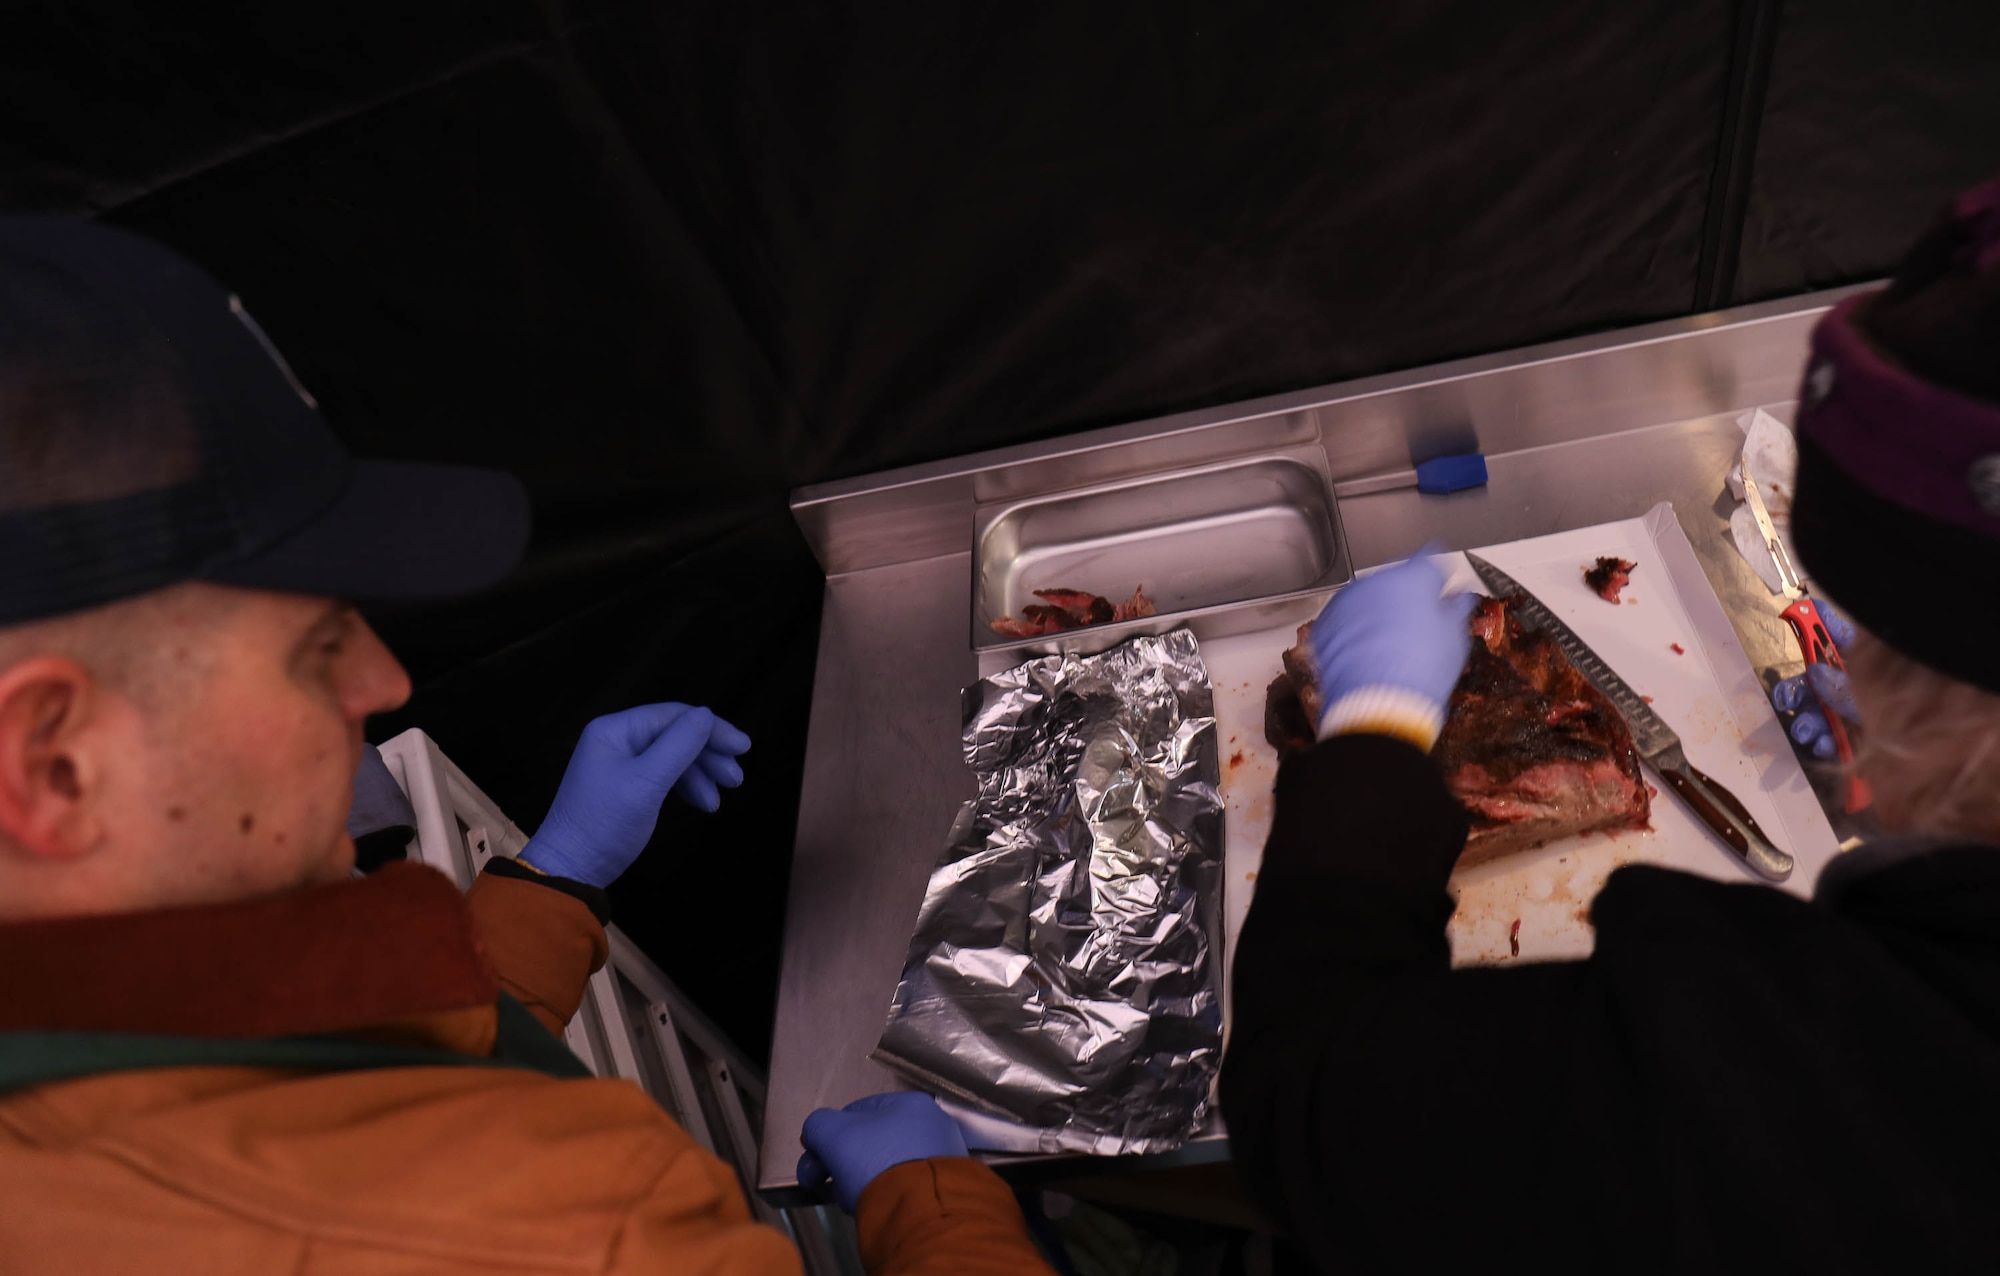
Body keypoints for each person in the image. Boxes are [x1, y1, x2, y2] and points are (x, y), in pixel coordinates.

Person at [0, 217, 1055, 1274]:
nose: (384, 681)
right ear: (54, 763)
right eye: (314, 647)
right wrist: (931, 1207)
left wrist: (556, 877)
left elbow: (349, 1069)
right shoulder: (579, 1233)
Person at [1221, 175, 2000, 1273]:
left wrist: (1374, 739)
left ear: (1952, 698)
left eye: (1860, 623)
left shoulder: (1799, 1071)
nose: (1840, 649)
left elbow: (1312, 1107)